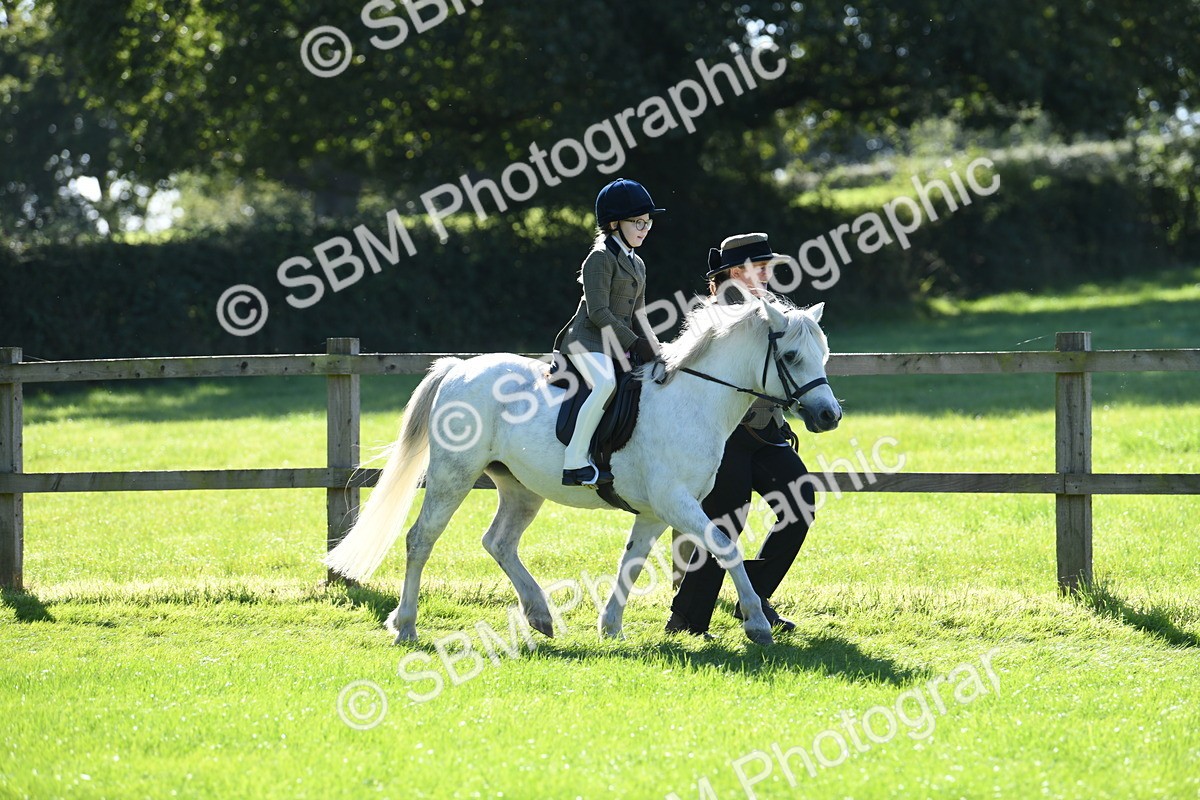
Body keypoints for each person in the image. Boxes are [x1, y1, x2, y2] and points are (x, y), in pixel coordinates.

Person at [665, 232, 817, 638]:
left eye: (768, 268)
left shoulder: (769, 312)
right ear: (736, 272)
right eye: (760, 268)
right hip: (723, 437)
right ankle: (687, 621)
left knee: (800, 503)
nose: (768, 275)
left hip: (767, 434)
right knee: (724, 524)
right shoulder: (712, 318)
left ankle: (753, 591)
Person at [552, 178, 664, 487]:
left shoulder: (637, 263)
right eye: (637, 222)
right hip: (587, 341)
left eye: (648, 222)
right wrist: (633, 343)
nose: (644, 228)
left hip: (616, 344)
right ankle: (575, 460)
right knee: (605, 384)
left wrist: (656, 351)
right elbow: (598, 312)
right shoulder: (599, 258)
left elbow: (639, 314)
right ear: (614, 223)